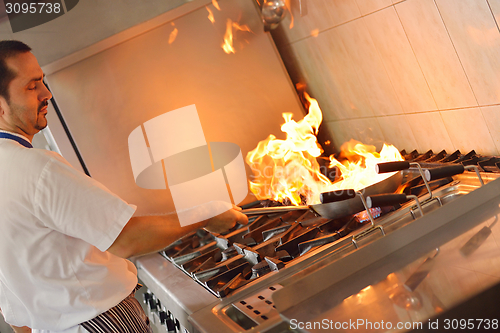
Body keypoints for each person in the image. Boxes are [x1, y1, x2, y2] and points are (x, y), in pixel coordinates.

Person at [0, 40, 248, 333]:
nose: (47, 93)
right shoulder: (36, 169)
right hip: (101, 324)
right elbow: (128, 239)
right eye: (32, 86)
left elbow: (13, 310)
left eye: (42, 81)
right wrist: (205, 213)